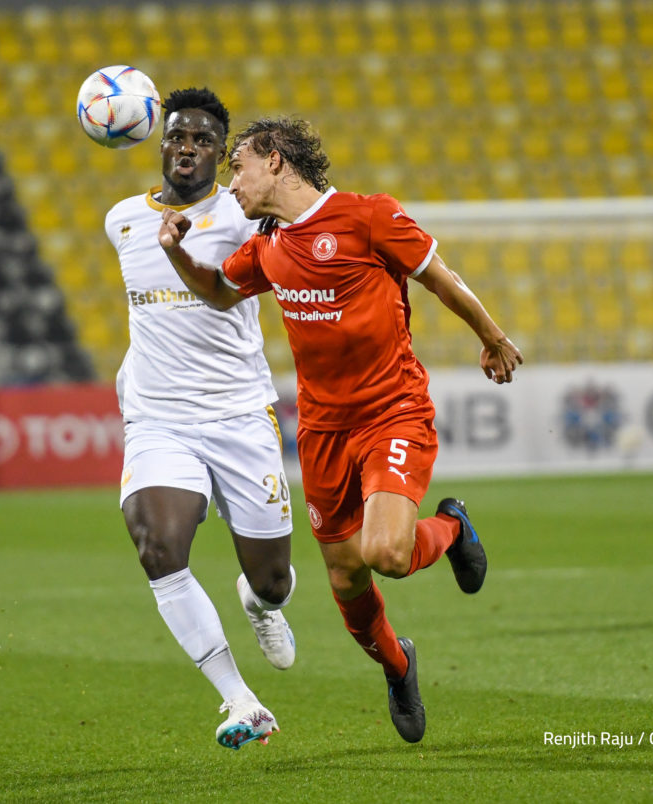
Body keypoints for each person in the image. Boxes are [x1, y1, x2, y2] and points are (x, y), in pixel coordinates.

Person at [157, 116, 523, 743]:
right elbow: (220, 293)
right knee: (346, 580)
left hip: (392, 411)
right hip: (323, 433)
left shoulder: (369, 217)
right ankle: (399, 665)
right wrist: (174, 253)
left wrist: (491, 337)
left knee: (386, 554)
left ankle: (453, 525)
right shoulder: (268, 247)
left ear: (274, 161)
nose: (232, 184)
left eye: (237, 167)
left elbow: (441, 278)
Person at [105, 90, 297, 750]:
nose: (186, 147)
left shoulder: (247, 221)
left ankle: (259, 601)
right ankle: (240, 700)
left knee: (274, 579)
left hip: (240, 415)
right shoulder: (123, 220)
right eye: (177, 136)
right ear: (161, 144)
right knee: (157, 548)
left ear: (221, 155)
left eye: (203, 140)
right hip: (160, 419)